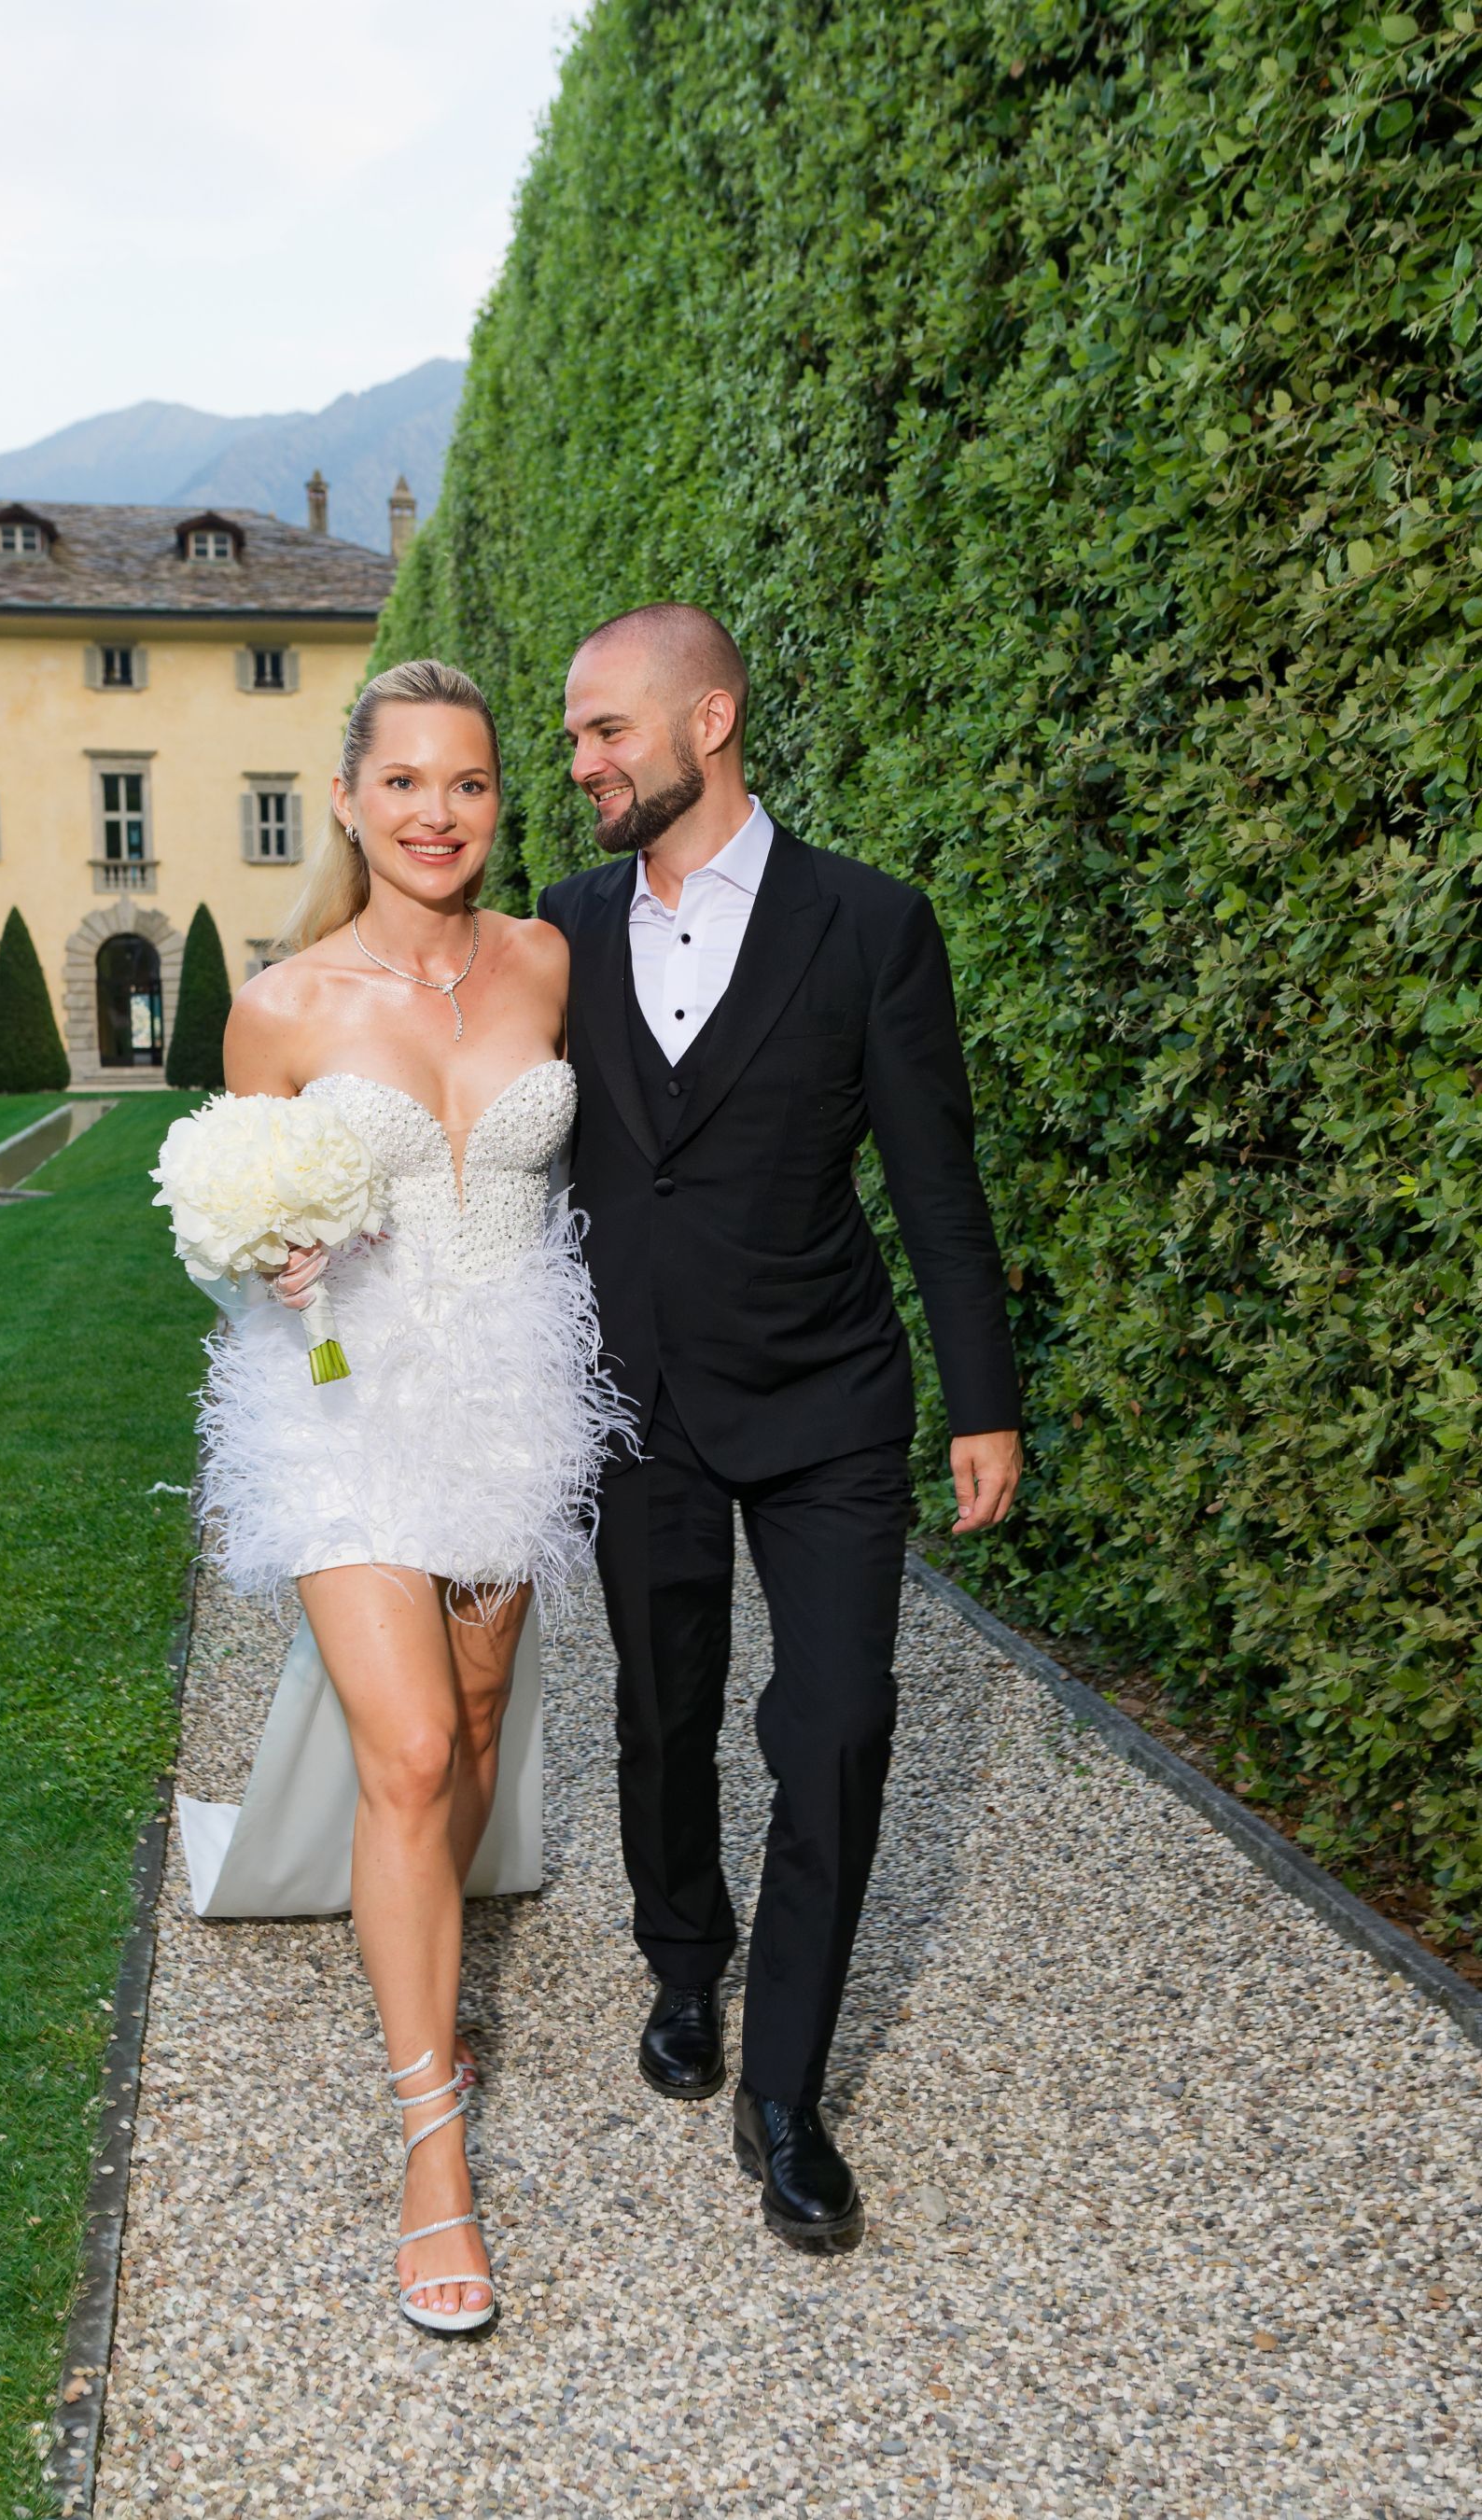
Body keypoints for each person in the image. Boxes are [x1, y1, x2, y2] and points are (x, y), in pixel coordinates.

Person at [538, 603, 1022, 2255]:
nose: (583, 763)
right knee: (662, 1716)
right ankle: (686, 1964)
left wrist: (985, 1398)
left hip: (825, 1399)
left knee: (836, 1731)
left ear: (711, 720)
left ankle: (788, 2091)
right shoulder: (560, 929)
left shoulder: (870, 925)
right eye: (576, 738)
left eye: (608, 732)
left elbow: (936, 1183)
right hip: (638, 1404)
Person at [197, 658, 631, 2337]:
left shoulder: (549, 962)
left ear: (497, 798)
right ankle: (432, 2144)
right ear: (353, 799)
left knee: (471, 1710)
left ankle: (417, 1942)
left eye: (467, 784)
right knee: (415, 1747)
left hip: (514, 1404)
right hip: (342, 1407)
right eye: (405, 784)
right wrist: (271, 1260)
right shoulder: (285, 1003)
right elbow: (219, 1217)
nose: (436, 814)